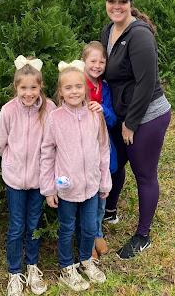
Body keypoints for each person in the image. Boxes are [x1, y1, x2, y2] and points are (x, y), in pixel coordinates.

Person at [101, 0, 172, 260]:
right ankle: (110, 212)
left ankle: (143, 236)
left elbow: (145, 83)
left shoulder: (140, 36)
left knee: (144, 174)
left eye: (122, 2)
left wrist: (131, 123)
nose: (116, 6)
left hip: (147, 115)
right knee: (115, 162)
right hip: (122, 114)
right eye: (111, 1)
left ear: (130, 4)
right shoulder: (108, 31)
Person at [40, 61, 112, 292]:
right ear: (60, 91)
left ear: (86, 89)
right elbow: (47, 153)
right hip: (66, 187)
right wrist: (49, 188)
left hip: (91, 185)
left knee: (90, 227)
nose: (74, 92)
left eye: (78, 87)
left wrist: (104, 180)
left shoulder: (94, 115)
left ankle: (85, 260)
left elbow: (103, 149)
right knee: (67, 228)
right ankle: (66, 267)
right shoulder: (56, 118)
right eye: (68, 88)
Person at [0, 55, 56, 296]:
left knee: (33, 224)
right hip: (16, 180)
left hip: (39, 180)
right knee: (16, 226)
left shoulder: (49, 109)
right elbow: (0, 143)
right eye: (23, 88)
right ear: (16, 87)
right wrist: (12, 161)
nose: (28, 93)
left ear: (40, 86)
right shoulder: (8, 111)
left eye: (33, 87)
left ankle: (32, 266)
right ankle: (14, 272)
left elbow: (52, 142)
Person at [81, 41, 117, 258]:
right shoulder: (77, 84)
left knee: (101, 191)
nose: (97, 65)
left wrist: (103, 110)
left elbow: (112, 120)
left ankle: (96, 232)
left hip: (102, 145)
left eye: (101, 62)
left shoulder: (106, 89)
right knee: (85, 194)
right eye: (93, 61)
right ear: (83, 61)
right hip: (82, 148)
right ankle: (86, 237)